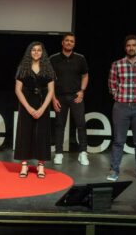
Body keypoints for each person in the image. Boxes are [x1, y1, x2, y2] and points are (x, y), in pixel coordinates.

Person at [107, 35, 136, 183]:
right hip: (121, 106)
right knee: (118, 140)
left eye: (134, 45)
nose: (131, 48)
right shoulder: (117, 64)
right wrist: (118, 96)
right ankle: (114, 169)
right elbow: (112, 84)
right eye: (128, 45)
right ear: (125, 47)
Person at [14, 42, 55, 179]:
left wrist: (42, 109)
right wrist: (29, 108)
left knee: (42, 135)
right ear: (29, 52)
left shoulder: (48, 69)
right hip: (26, 106)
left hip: (42, 106)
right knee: (24, 134)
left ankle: (41, 165)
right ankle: (24, 165)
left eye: (39, 50)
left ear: (42, 53)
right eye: (33, 50)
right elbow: (18, 90)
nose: (36, 52)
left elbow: (51, 91)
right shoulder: (23, 68)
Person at [50, 33, 90, 166]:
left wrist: (82, 91)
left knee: (81, 124)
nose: (69, 43)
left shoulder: (80, 58)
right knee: (59, 126)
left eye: (71, 41)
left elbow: (85, 75)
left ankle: (83, 153)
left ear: (74, 44)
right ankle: (59, 153)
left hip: (75, 97)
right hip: (59, 97)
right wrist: (53, 98)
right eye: (66, 40)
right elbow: (50, 81)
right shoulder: (53, 59)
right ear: (62, 42)